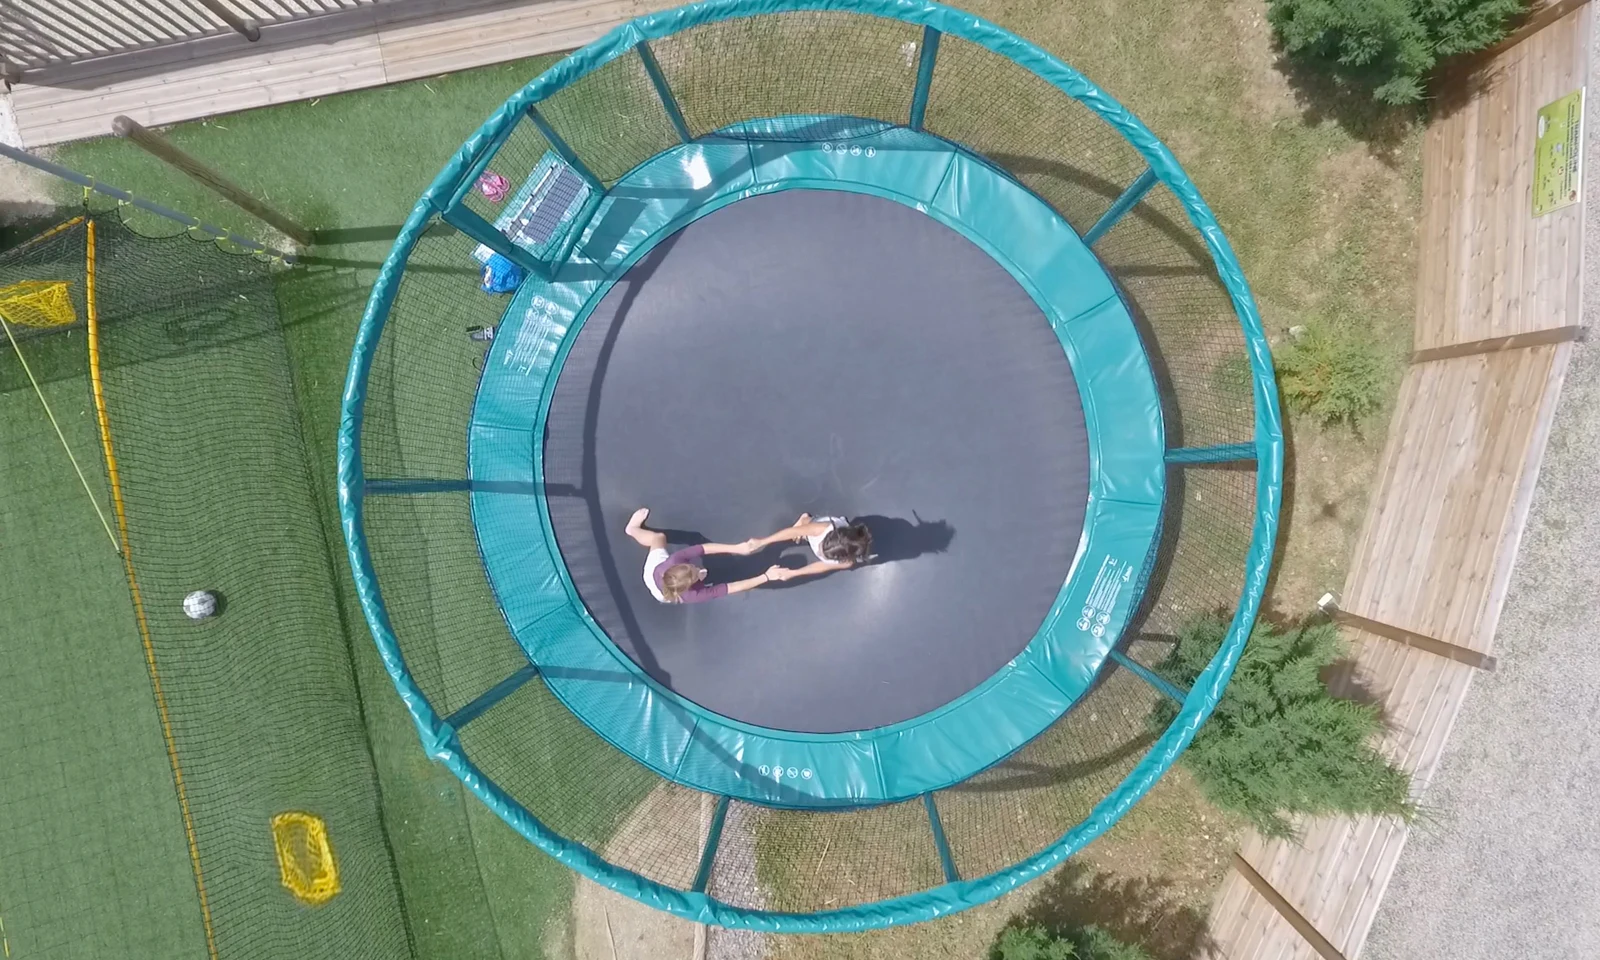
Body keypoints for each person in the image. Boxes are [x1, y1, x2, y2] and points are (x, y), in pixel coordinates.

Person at [625, 507, 781, 604]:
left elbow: (703, 549)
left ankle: (633, 529)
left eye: (691, 567)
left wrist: (737, 548)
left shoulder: (673, 560)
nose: (695, 566)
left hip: (655, 571)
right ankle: (632, 529)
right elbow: (732, 587)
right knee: (657, 538)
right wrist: (766, 577)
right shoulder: (692, 595)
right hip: (657, 587)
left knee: (659, 538)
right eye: (694, 573)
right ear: (690, 585)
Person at [753, 513, 873, 583]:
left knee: (804, 534)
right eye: (822, 547)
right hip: (818, 530)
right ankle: (804, 519)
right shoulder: (822, 528)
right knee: (806, 523)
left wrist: (793, 573)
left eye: (824, 554)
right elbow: (791, 532)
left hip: (838, 538)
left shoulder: (846, 562)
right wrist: (763, 541)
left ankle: (805, 532)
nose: (820, 552)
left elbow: (821, 566)